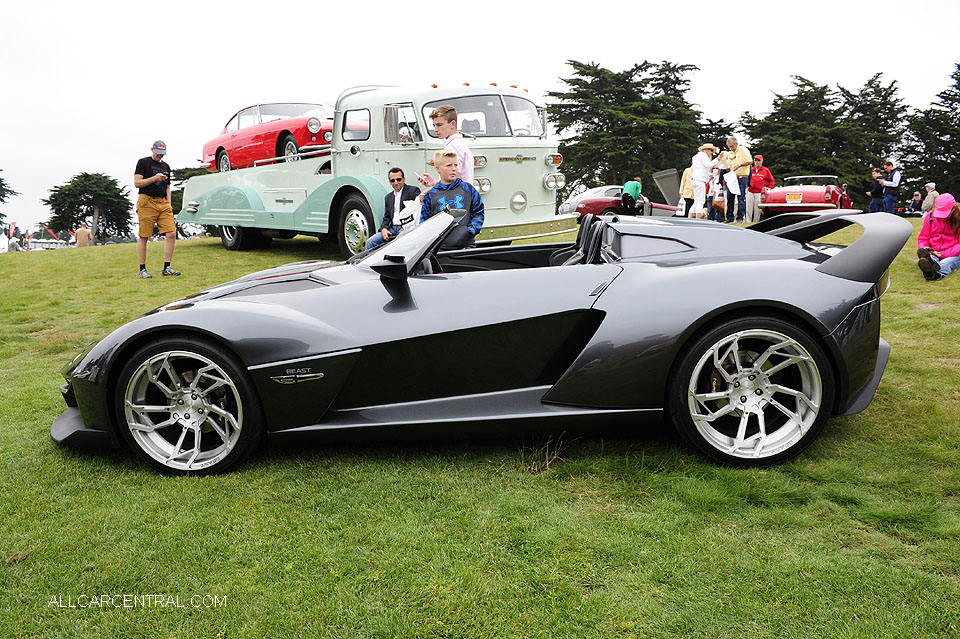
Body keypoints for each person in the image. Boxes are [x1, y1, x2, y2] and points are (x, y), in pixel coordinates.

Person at [420, 150, 484, 249]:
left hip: (466, 248)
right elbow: (424, 223)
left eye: (456, 165)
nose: (453, 169)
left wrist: (470, 232)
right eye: (449, 165)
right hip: (439, 250)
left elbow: (479, 213)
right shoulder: (431, 195)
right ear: (437, 168)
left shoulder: (468, 189)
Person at [133, 141, 178, 278]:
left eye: (162, 153)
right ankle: (142, 270)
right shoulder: (143, 162)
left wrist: (169, 205)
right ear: (152, 149)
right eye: (158, 153)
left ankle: (167, 267)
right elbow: (137, 183)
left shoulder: (166, 166)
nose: (160, 155)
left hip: (163, 203)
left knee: (171, 233)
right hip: (147, 202)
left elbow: (168, 187)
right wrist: (154, 178)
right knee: (144, 236)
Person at [418, 105, 474, 189]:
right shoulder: (458, 144)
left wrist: (427, 193)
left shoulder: (453, 146)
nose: (435, 129)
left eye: (439, 125)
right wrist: (436, 183)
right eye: (434, 125)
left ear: (452, 124)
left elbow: (454, 181)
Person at [365, 168, 421, 251]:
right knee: (370, 242)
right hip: (391, 228)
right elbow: (387, 217)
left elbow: (418, 210)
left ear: (404, 179)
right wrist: (384, 229)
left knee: (396, 244)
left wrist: (407, 225)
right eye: (392, 180)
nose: (396, 182)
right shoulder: (388, 197)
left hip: (406, 227)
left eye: (398, 179)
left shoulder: (413, 191)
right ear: (390, 182)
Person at [917, 193, 960, 281]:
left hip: (954, 253)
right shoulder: (930, 217)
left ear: (954, 208)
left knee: (947, 262)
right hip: (934, 251)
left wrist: (944, 254)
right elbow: (923, 238)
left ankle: (934, 273)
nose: (941, 217)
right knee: (932, 258)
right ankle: (929, 262)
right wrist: (926, 248)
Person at [725, 136, 752, 223]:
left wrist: (740, 165)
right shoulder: (730, 153)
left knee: (741, 198)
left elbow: (750, 161)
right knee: (730, 198)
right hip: (732, 177)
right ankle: (729, 218)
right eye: (729, 147)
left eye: (732, 146)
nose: (731, 148)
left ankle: (740, 218)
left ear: (736, 144)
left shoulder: (743, 149)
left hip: (742, 177)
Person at [690, 144, 720, 219]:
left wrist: (709, 175)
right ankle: (698, 219)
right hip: (700, 180)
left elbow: (701, 169)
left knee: (696, 200)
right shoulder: (703, 155)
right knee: (701, 200)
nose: (711, 153)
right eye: (711, 151)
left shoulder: (696, 157)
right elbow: (708, 165)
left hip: (695, 179)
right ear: (707, 150)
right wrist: (718, 158)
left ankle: (690, 217)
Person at [745, 154, 774, 224]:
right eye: (755, 160)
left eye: (758, 160)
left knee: (757, 210)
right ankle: (747, 222)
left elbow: (771, 181)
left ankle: (755, 223)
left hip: (759, 193)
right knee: (748, 209)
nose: (757, 162)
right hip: (750, 191)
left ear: (762, 161)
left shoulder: (765, 170)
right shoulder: (750, 169)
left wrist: (768, 189)